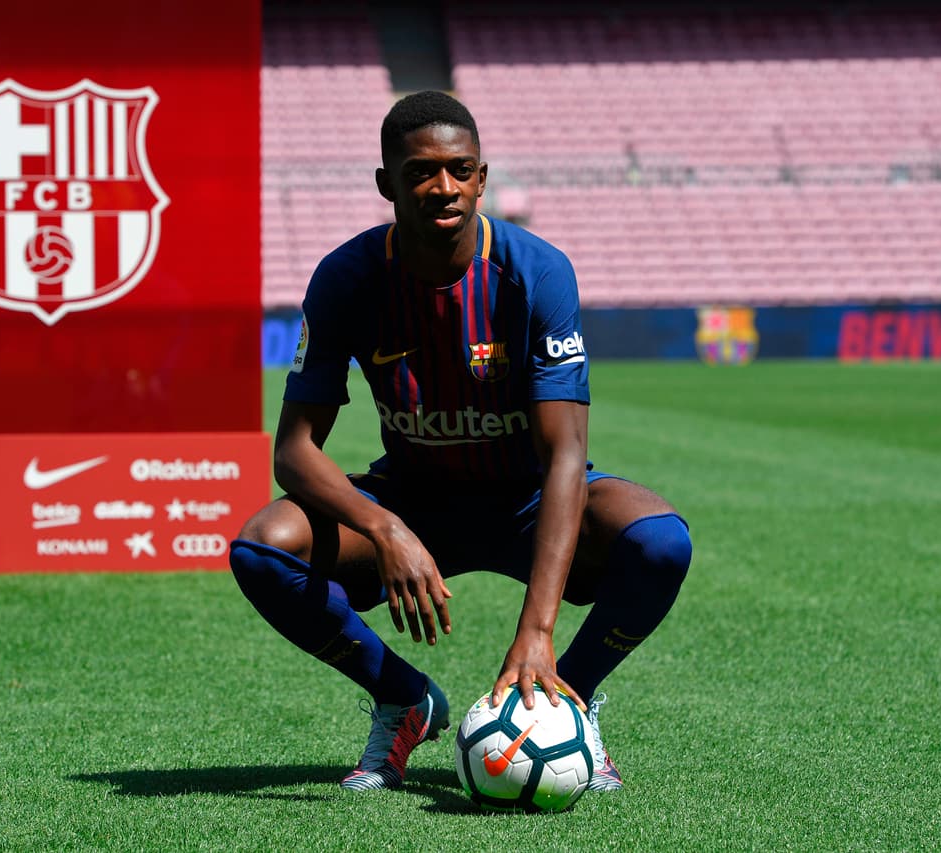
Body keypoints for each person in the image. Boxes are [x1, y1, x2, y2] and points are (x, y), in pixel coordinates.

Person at [230, 91, 692, 793]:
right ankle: (402, 697)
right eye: (420, 172)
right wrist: (385, 528)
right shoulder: (346, 279)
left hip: (529, 500)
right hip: (412, 500)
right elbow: (293, 450)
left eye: (459, 169)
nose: (442, 186)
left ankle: (569, 693)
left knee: (660, 542)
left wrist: (537, 631)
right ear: (387, 184)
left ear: (481, 178)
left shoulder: (536, 271)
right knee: (262, 546)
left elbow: (565, 454)